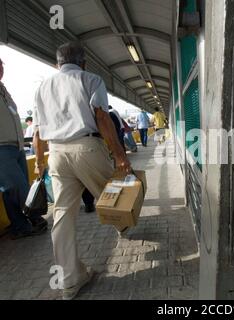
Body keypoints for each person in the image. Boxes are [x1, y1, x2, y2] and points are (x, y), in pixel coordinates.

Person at [32, 42, 132, 300]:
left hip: (56, 153)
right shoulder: (91, 79)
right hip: (86, 146)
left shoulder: (42, 88)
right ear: (83, 62)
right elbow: (101, 117)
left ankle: (69, 281)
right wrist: (120, 155)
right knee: (114, 193)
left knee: (63, 216)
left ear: (57, 64)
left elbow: (37, 133)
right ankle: (123, 225)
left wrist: (38, 163)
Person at [0, 58, 48, 240]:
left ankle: (19, 226)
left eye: (1, 66)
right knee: (18, 188)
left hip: (17, 146)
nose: (1, 69)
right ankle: (35, 218)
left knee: (9, 191)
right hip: (1, 148)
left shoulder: (4, 90)